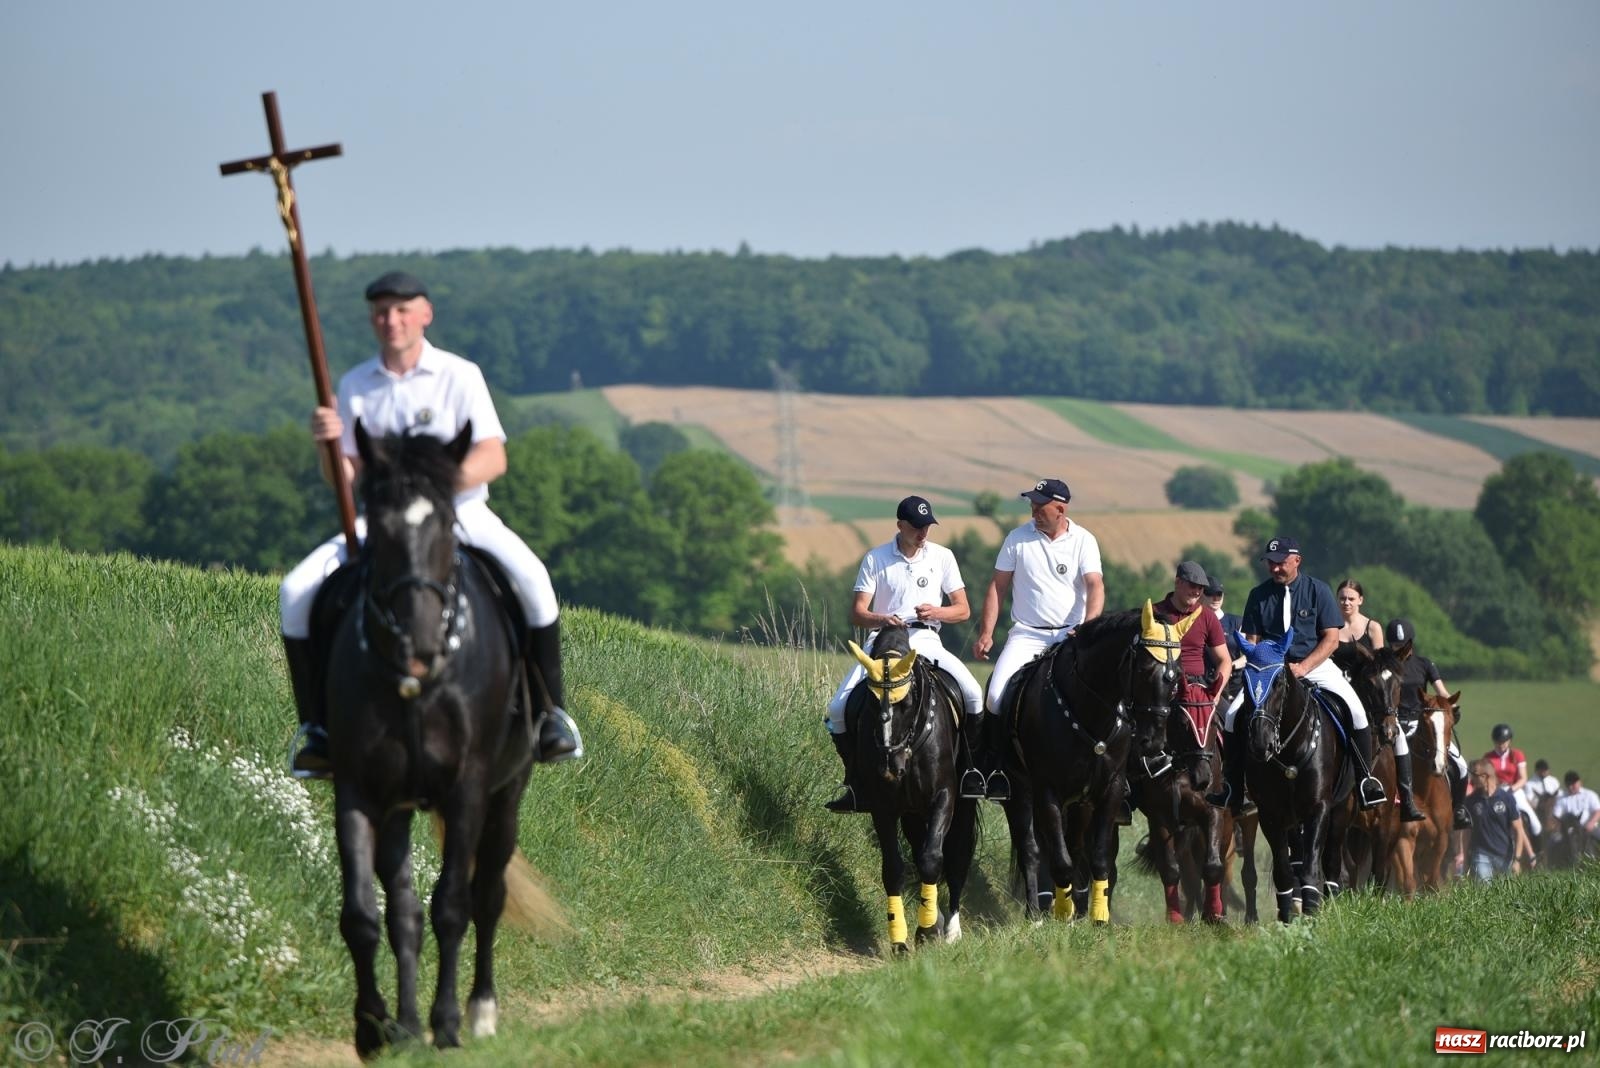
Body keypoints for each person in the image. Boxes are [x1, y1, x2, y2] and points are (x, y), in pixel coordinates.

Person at [279, 271, 583, 778]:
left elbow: (493, 456)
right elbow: (345, 479)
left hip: (461, 515)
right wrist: (326, 444)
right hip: (382, 526)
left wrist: (433, 494)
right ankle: (317, 730)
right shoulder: (355, 385)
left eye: (402, 310)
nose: (390, 321)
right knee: (295, 591)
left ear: (425, 314)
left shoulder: (459, 375)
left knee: (534, 582)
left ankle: (550, 715)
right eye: (380, 312)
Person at [822, 495, 983, 812]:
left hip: (925, 638)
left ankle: (972, 772)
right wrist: (882, 618)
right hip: (883, 641)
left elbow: (963, 610)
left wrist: (936, 611)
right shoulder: (876, 558)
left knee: (974, 694)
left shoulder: (943, 557)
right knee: (838, 708)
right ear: (900, 525)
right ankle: (855, 781)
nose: (924, 533)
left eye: (928, 526)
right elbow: (857, 612)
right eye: (917, 527)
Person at [1206, 536, 1386, 812]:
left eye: (1280, 563)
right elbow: (1252, 641)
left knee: (1358, 712)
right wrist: (1261, 666)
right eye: (1270, 563)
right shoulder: (1258, 595)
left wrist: (1303, 668)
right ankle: (1232, 786)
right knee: (1232, 716)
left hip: (1314, 664)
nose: (1275, 568)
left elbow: (1331, 640)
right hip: (1270, 669)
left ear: (1296, 561)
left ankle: (1365, 781)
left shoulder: (1319, 591)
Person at [972, 478, 1105, 801]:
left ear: (1060, 508)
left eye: (1040, 505)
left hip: (1070, 635)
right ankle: (993, 769)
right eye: (1032, 503)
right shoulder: (1017, 539)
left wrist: (1087, 629)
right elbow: (997, 587)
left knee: (1104, 697)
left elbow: (1095, 587)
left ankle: (1111, 776)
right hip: (1027, 635)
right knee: (995, 696)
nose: (1033, 510)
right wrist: (987, 632)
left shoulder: (1084, 541)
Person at [1381, 618, 1455, 825]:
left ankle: (1457, 810)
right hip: (1393, 722)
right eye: (1394, 645)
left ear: (1410, 643)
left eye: (1401, 645)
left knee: (1458, 763)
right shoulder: (1386, 667)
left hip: (1422, 723)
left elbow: (1441, 692)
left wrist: (1452, 709)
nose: (1397, 649)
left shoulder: (1425, 664)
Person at [1464, 758, 1534, 880]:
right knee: (1484, 890)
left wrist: (1517, 860)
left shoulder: (1506, 798)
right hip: (1481, 855)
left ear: (1485, 776)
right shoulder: (1470, 801)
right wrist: (1464, 855)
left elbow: (1518, 830)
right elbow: (1466, 832)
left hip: (1505, 855)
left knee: (1506, 893)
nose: (1472, 779)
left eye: (1475, 775)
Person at [1551, 771, 1600, 843]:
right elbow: (1556, 815)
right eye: (1568, 785)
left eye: (1573, 784)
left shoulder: (1590, 795)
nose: (1571, 787)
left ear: (1579, 782)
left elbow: (1597, 811)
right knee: (1552, 841)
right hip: (1569, 830)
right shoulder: (1561, 798)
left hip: (1588, 827)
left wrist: (1591, 823)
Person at [1335, 579, 1384, 650]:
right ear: (1337, 599)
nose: (1346, 603)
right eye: (1342, 598)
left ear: (1360, 600)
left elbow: (1380, 660)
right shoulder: (1330, 627)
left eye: (1351, 599)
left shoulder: (1373, 627)